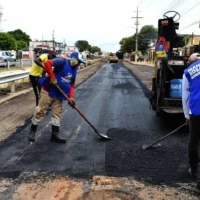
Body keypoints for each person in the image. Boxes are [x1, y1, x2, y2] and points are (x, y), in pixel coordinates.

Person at [28, 52, 85, 143]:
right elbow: (47, 63)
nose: (79, 64)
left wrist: (71, 97)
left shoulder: (75, 70)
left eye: (80, 63)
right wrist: (52, 77)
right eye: (78, 61)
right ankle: (32, 131)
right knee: (41, 111)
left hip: (59, 95)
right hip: (48, 91)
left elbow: (72, 84)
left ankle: (55, 135)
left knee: (57, 114)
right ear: (73, 59)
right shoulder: (62, 61)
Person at [182, 52, 200, 189]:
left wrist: (187, 116)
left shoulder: (189, 72)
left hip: (197, 110)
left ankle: (195, 171)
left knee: (194, 140)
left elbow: (186, 95)